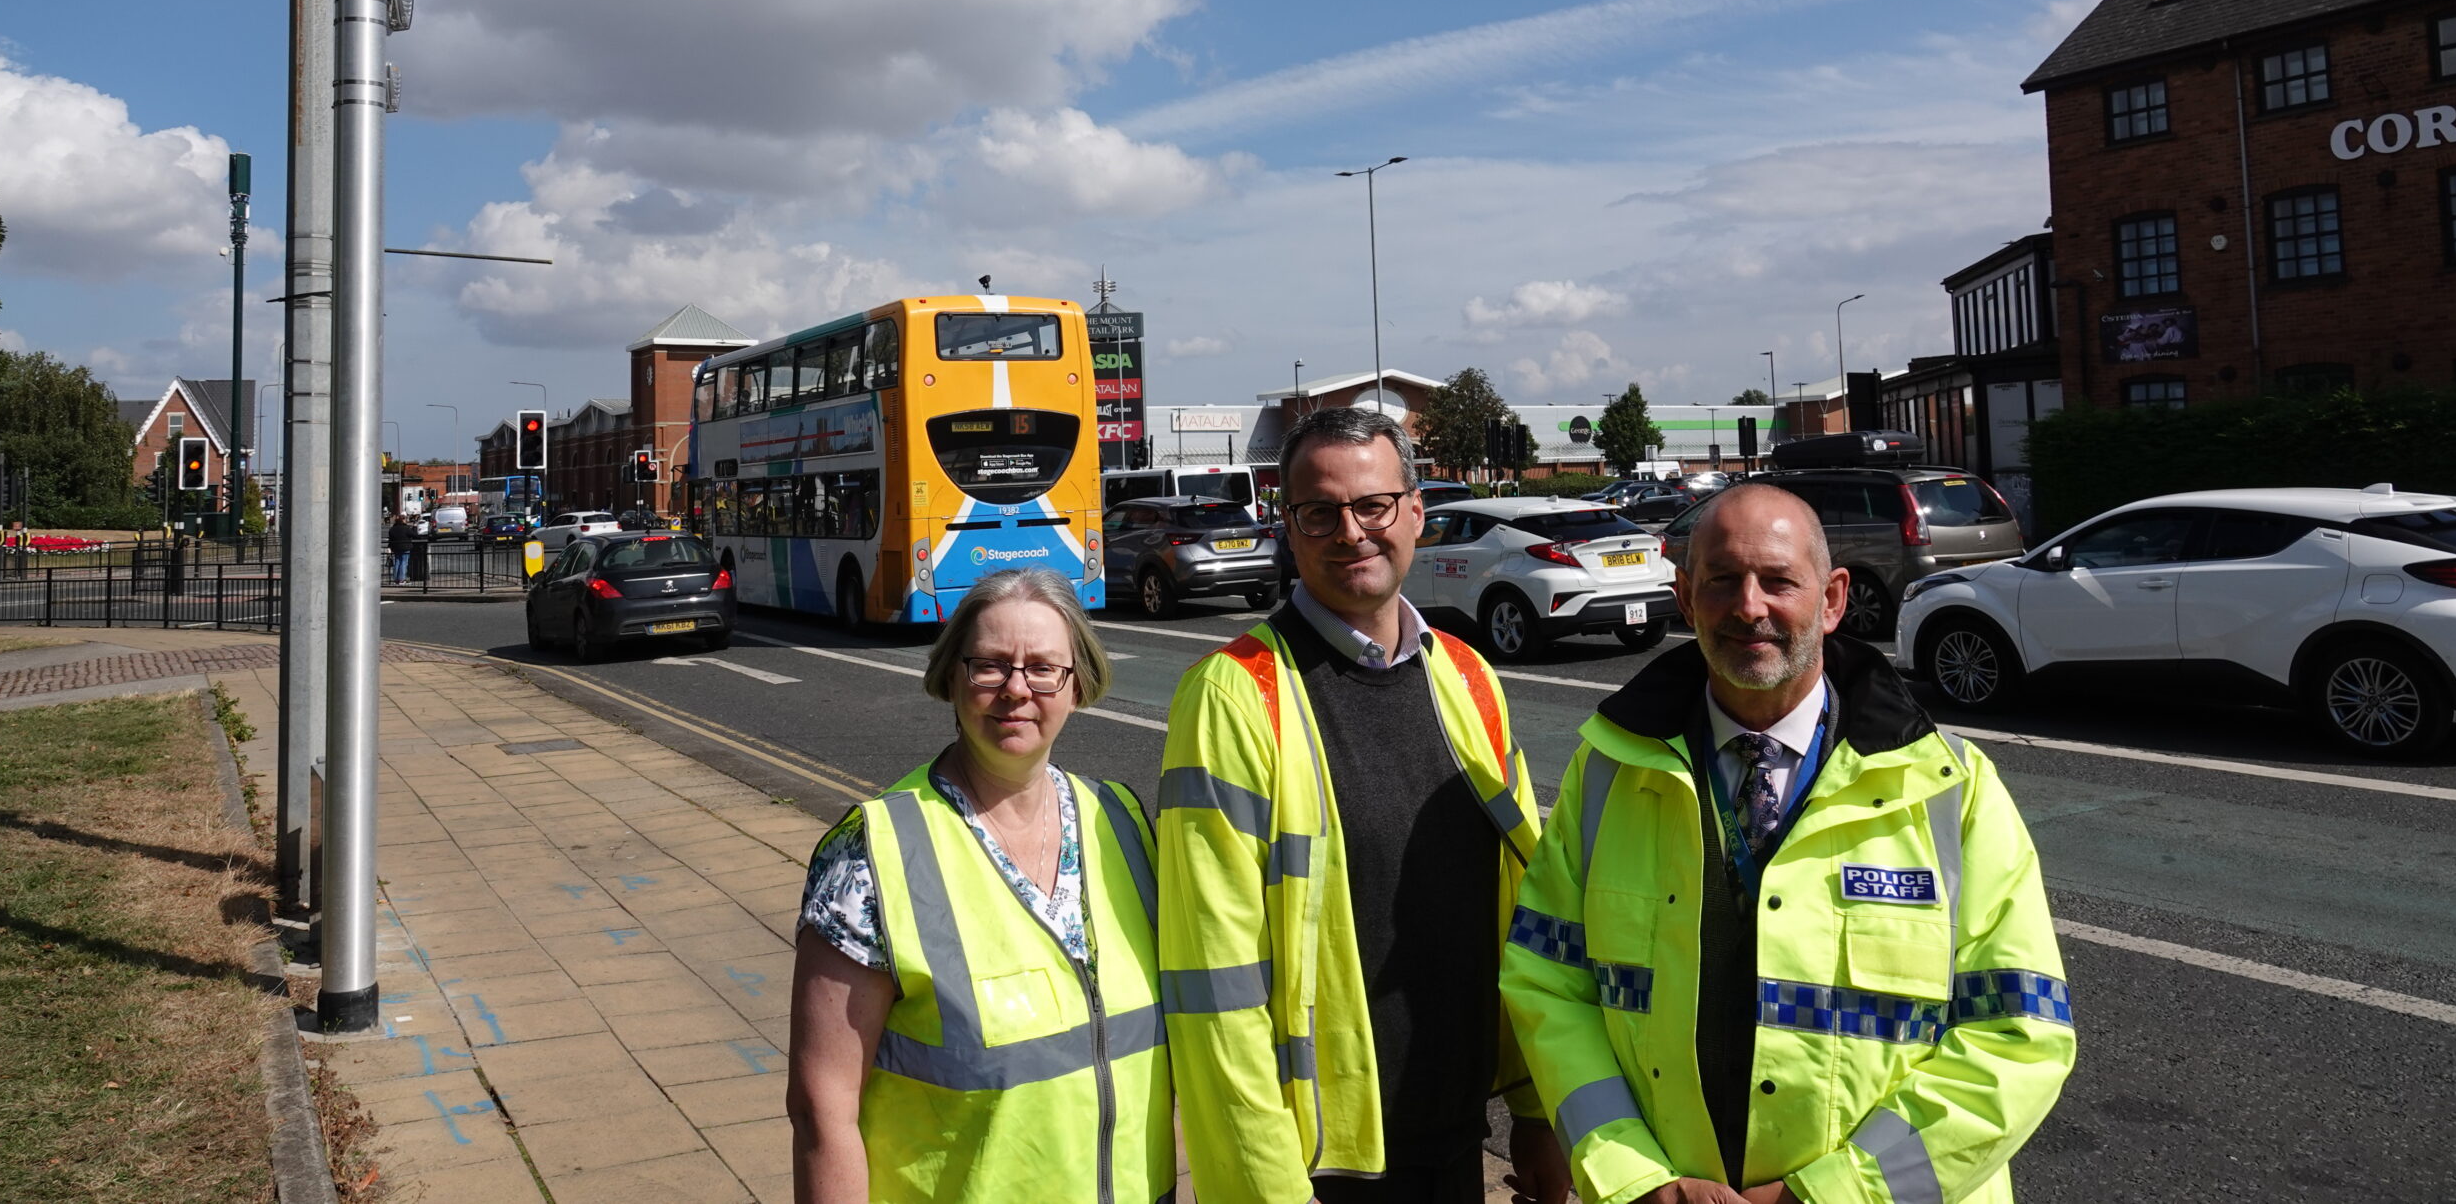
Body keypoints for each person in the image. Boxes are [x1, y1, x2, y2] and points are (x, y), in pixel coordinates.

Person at [1501, 484, 2075, 1204]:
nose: (1749, 607)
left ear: (1833, 599)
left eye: (1778, 580)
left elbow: (2020, 1033)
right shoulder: (1607, 770)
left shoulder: (1951, 788)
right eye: (1722, 581)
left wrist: (1824, 1194)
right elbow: (1549, 985)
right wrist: (1636, 1179)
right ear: (1685, 597)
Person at [1158, 406, 1571, 1204]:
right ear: (1289, 527)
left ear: (1415, 512)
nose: (1350, 531)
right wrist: (1266, 1188)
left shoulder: (1468, 675)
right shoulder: (1236, 695)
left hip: (1454, 1140)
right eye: (1320, 511)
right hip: (1320, 1168)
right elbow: (1214, 982)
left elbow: (1527, 913)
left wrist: (1536, 1109)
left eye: (1372, 504)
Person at [788, 568, 1172, 1204]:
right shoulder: (873, 853)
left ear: (1077, 685)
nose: (1016, 689)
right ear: (953, 678)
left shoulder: (1123, 824)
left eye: (1043, 668)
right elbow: (821, 1111)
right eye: (989, 666)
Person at [387, 513, 417, 585]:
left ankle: (396, 579)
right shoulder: (406, 528)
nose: (406, 520)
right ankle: (401, 580)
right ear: (402, 520)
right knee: (404, 562)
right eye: (405, 519)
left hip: (396, 548)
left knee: (397, 562)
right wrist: (415, 528)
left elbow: (390, 539)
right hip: (405, 547)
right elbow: (415, 535)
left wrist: (389, 547)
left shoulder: (392, 529)